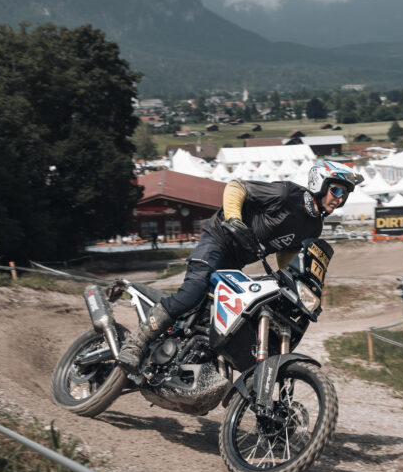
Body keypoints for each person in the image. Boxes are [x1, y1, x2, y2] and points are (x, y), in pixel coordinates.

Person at [116, 159, 364, 371]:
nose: (340, 200)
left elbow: (287, 252)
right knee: (193, 290)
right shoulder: (287, 195)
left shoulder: (314, 226)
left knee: (226, 314)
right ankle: (137, 342)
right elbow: (237, 187)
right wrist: (234, 218)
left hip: (237, 260)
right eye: (337, 191)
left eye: (345, 195)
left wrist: (293, 280)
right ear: (319, 184)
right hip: (217, 240)